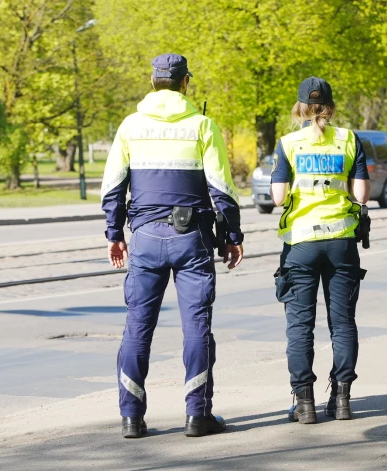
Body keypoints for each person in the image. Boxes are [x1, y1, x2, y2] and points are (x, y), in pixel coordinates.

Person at [101, 53, 244, 439]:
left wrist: (115, 234)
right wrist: (232, 236)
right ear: (185, 84)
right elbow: (222, 189)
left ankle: (131, 417)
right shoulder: (203, 125)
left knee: (137, 327)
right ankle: (197, 416)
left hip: (145, 236)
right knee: (197, 326)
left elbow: (113, 186)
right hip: (192, 238)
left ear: (153, 83)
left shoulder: (130, 126)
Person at [270, 76, 370, 424]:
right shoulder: (350, 140)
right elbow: (361, 196)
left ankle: (305, 404)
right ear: (329, 105)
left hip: (301, 245)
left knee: (299, 327)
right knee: (342, 324)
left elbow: (279, 198)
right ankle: (342, 400)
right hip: (342, 243)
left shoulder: (288, 143)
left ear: (300, 107)